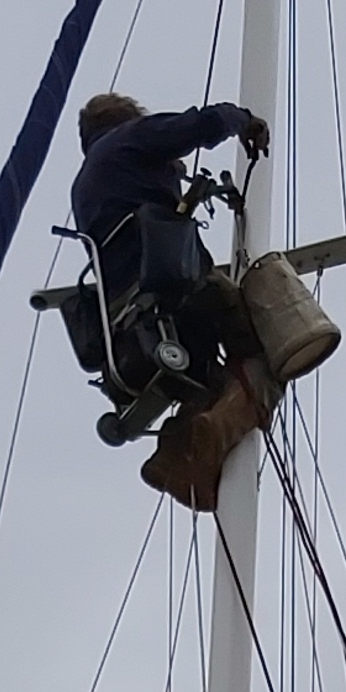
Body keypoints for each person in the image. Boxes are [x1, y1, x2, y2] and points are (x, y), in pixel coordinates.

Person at [71, 93, 273, 509]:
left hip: (125, 317)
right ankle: (206, 439)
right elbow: (203, 123)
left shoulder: (86, 182)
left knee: (213, 386)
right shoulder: (131, 138)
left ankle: (173, 459)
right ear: (128, 119)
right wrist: (244, 120)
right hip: (175, 289)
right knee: (268, 352)